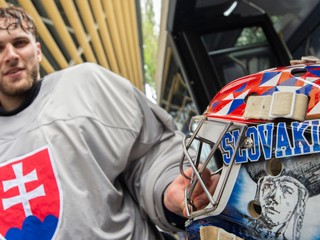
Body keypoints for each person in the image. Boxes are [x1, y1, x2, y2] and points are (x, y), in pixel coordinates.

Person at [0, 5, 219, 240]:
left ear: (38, 50)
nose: (11, 55)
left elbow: (151, 153)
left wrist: (168, 189)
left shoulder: (85, 87)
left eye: (20, 43)